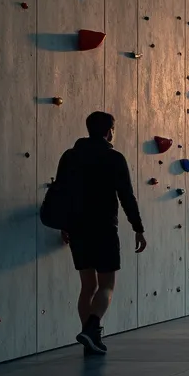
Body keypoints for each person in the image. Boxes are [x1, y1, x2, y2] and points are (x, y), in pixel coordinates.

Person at [56, 111, 147, 355]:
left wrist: (64, 224)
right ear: (108, 131)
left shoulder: (70, 156)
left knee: (87, 286)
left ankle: (90, 339)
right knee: (106, 285)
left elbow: (61, 193)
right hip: (104, 227)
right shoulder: (114, 158)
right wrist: (137, 227)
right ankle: (92, 329)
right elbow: (126, 196)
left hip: (77, 227)